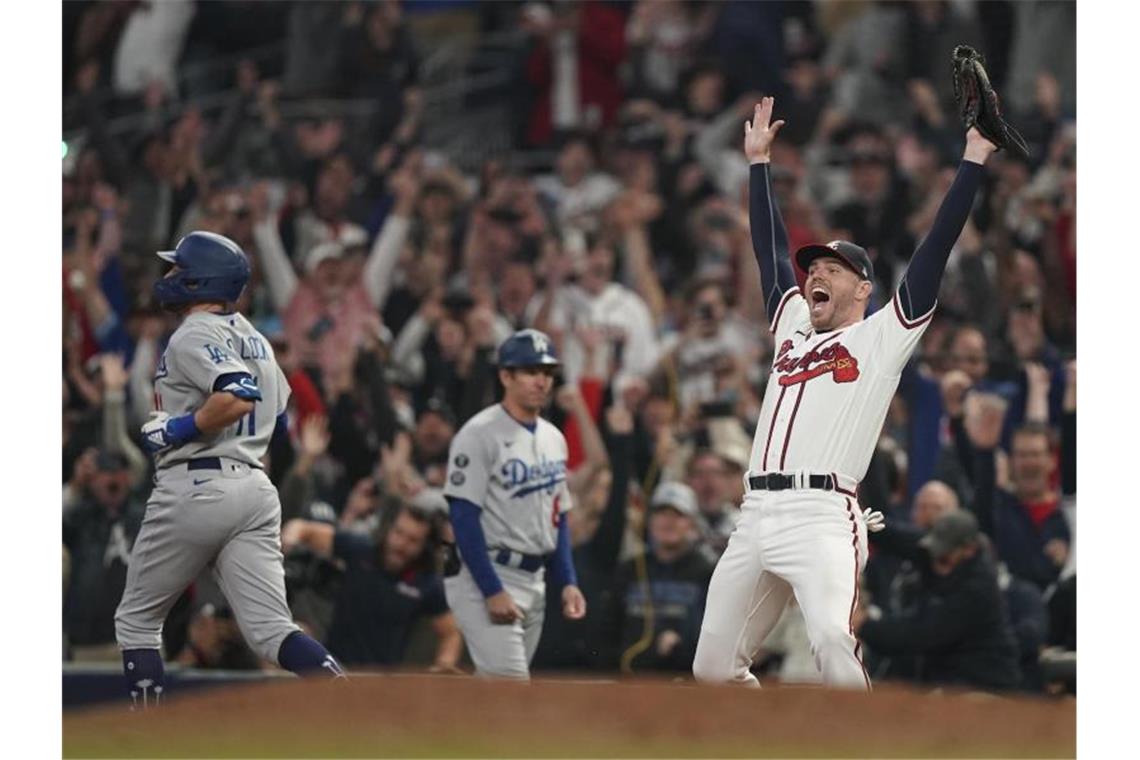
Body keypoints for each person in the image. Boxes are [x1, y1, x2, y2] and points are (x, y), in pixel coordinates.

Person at [692, 96, 998, 689]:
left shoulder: (882, 336)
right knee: (711, 669)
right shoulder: (792, 326)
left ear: (864, 289)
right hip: (755, 513)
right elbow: (771, 253)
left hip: (822, 514)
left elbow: (934, 249)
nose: (815, 275)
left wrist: (973, 159)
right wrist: (758, 165)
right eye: (814, 270)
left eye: (832, 269)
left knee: (833, 640)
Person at [115, 231, 345, 710]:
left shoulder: (196, 331)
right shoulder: (256, 337)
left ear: (201, 280)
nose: (170, 277)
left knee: (137, 621)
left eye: (179, 269)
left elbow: (237, 394)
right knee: (272, 631)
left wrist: (178, 428)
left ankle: (144, 741)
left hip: (197, 481)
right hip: (255, 487)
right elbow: (277, 410)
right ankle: (352, 703)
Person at [442, 329, 587, 679]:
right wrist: (492, 589)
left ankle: (442, 722)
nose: (541, 381)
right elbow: (463, 517)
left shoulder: (554, 437)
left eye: (547, 373)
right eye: (531, 371)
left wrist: (567, 579)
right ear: (506, 375)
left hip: (535, 577)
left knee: (496, 693)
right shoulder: (478, 434)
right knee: (511, 686)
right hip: (486, 574)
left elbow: (559, 516)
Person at [281, 501, 462, 670]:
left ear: (424, 546)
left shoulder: (426, 584)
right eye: (398, 533)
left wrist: (442, 667)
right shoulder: (360, 551)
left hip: (380, 683)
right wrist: (289, 540)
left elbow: (451, 634)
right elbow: (303, 529)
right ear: (389, 529)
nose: (401, 544)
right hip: (332, 670)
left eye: (413, 540)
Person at [855, 510, 1021, 692]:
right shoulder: (936, 549)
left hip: (985, 684)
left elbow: (923, 632)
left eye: (943, 558)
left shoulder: (978, 589)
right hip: (946, 679)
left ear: (969, 550)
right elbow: (893, 537)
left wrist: (865, 626)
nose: (935, 562)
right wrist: (855, 520)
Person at [601, 481, 715, 673]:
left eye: (678, 515)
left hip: (686, 681)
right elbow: (607, 633)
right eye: (661, 513)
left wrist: (680, 647)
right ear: (649, 520)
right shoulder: (629, 570)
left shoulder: (707, 572)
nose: (668, 522)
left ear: (692, 524)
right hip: (629, 679)